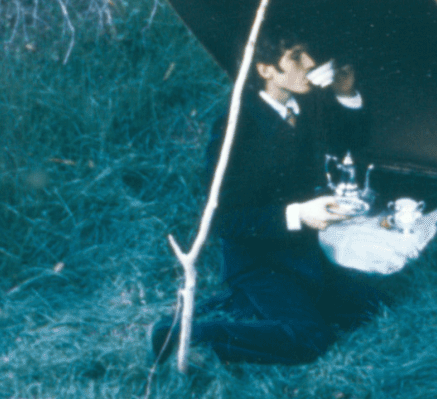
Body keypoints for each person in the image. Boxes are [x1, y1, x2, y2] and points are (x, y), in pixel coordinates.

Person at [150, 27, 387, 365]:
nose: (310, 62)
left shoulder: (304, 103)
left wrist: (345, 92)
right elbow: (223, 220)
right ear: (265, 70)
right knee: (311, 338)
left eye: (307, 53)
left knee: (374, 306)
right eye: (296, 57)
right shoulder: (236, 126)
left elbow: (350, 142)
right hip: (258, 261)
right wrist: (299, 214)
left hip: (301, 252)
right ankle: (182, 334)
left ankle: (243, 303)